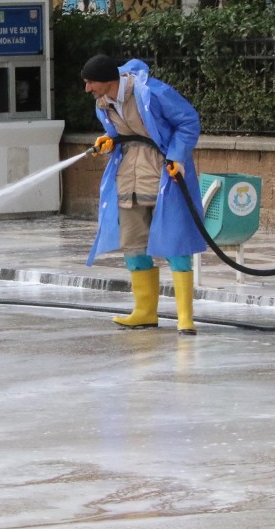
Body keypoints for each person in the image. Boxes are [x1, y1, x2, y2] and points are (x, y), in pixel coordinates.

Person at [83, 54, 206, 334]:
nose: (87, 88)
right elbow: (119, 133)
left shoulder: (153, 93)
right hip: (129, 179)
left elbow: (188, 121)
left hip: (163, 174)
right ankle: (144, 312)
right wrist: (110, 140)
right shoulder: (103, 103)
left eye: (90, 82)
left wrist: (177, 156)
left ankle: (185, 316)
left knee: (175, 244)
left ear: (107, 80)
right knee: (133, 246)